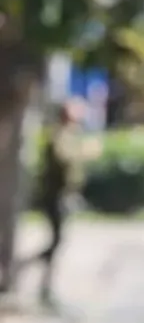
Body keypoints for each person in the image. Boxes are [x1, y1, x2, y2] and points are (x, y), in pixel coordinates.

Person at [13, 100, 94, 308]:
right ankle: (26, 270)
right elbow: (63, 158)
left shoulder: (69, 135)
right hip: (54, 196)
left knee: (57, 242)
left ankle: (43, 285)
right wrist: (84, 151)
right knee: (55, 241)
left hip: (63, 195)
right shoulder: (59, 135)